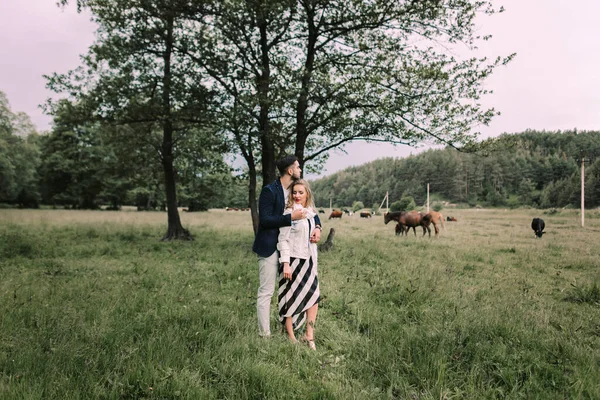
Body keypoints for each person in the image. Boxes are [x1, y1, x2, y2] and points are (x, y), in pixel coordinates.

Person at [252, 155, 322, 338]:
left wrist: (317, 227)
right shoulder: (269, 191)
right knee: (267, 290)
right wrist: (290, 218)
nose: (300, 169)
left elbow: (309, 209)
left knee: (288, 289)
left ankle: (291, 328)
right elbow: (265, 220)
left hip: (291, 251)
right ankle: (264, 335)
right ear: (290, 171)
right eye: (298, 167)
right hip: (269, 246)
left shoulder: (295, 189)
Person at [277, 179, 321, 350]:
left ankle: (309, 335)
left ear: (307, 194)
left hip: (309, 260)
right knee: (290, 295)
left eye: (300, 192)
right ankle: (291, 336)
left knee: (313, 296)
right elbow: (283, 239)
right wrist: (286, 264)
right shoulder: (288, 213)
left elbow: (316, 220)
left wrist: (318, 228)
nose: (296, 195)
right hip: (293, 260)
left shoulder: (309, 212)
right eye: (294, 192)